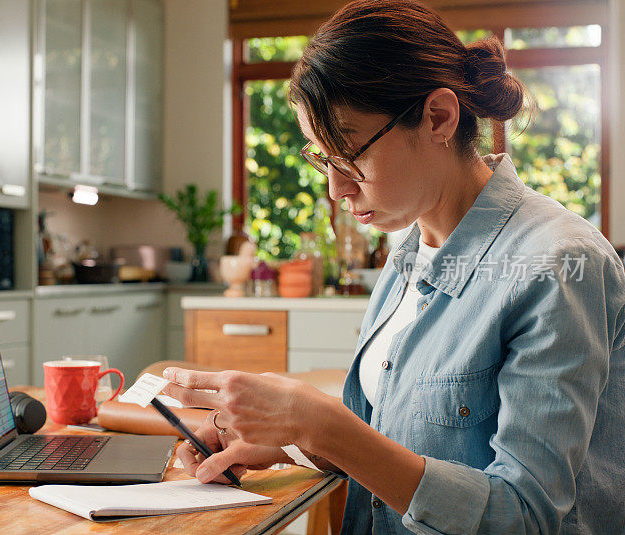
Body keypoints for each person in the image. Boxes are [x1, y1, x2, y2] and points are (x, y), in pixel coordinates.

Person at [162, 1, 625, 533]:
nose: (336, 189)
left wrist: (323, 423)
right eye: (322, 160)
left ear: (438, 117)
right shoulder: (411, 246)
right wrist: (291, 442)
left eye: (350, 157)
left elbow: (522, 516)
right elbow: (400, 445)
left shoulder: (559, 266)